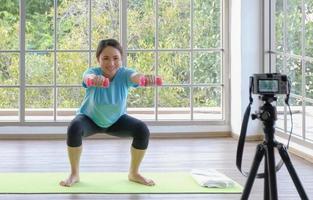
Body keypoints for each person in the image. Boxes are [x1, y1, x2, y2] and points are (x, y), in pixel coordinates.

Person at [60, 39, 157, 187]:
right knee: (74, 127)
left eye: (115, 58)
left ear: (121, 59)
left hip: (117, 121)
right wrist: (94, 80)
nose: (111, 63)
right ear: (98, 59)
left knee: (142, 130)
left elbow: (135, 77)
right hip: (89, 119)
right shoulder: (92, 72)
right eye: (105, 58)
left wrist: (144, 79)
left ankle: (134, 173)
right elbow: (87, 78)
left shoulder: (125, 74)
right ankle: (74, 174)